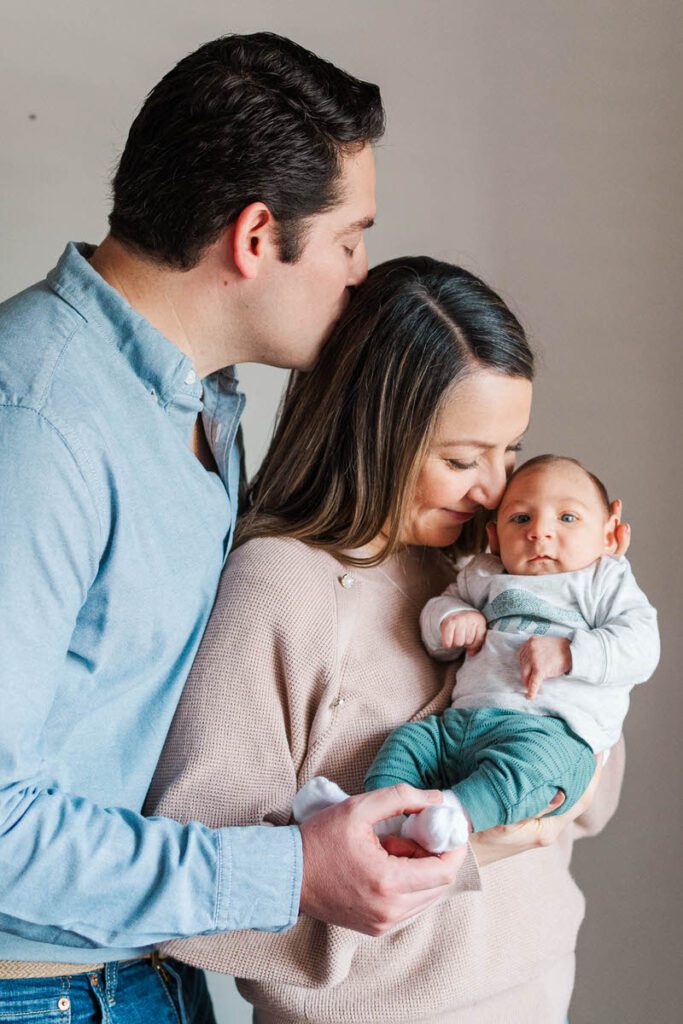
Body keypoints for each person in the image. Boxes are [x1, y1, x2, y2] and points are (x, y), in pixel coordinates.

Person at [0, 32, 463, 1023]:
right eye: (349, 239)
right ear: (256, 237)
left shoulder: (199, 408)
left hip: (144, 973)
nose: (359, 274)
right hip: (39, 995)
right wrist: (288, 871)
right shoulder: (35, 423)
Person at [149, 257, 627, 1023]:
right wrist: (475, 845)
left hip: (539, 994)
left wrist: (581, 635)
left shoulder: (482, 564)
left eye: (508, 452)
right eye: (462, 459)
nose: (495, 491)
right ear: (373, 435)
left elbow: (592, 799)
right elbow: (205, 896)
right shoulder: (279, 588)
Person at [297, 454, 659, 854]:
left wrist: (570, 653)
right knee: (409, 743)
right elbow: (436, 615)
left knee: (532, 772)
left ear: (610, 534)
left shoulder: (604, 579)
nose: (539, 532)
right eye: (521, 518)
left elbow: (642, 645)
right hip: (461, 726)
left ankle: (453, 814)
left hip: (552, 733)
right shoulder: (484, 574)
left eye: (567, 518)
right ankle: (375, 816)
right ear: (495, 536)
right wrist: (453, 618)